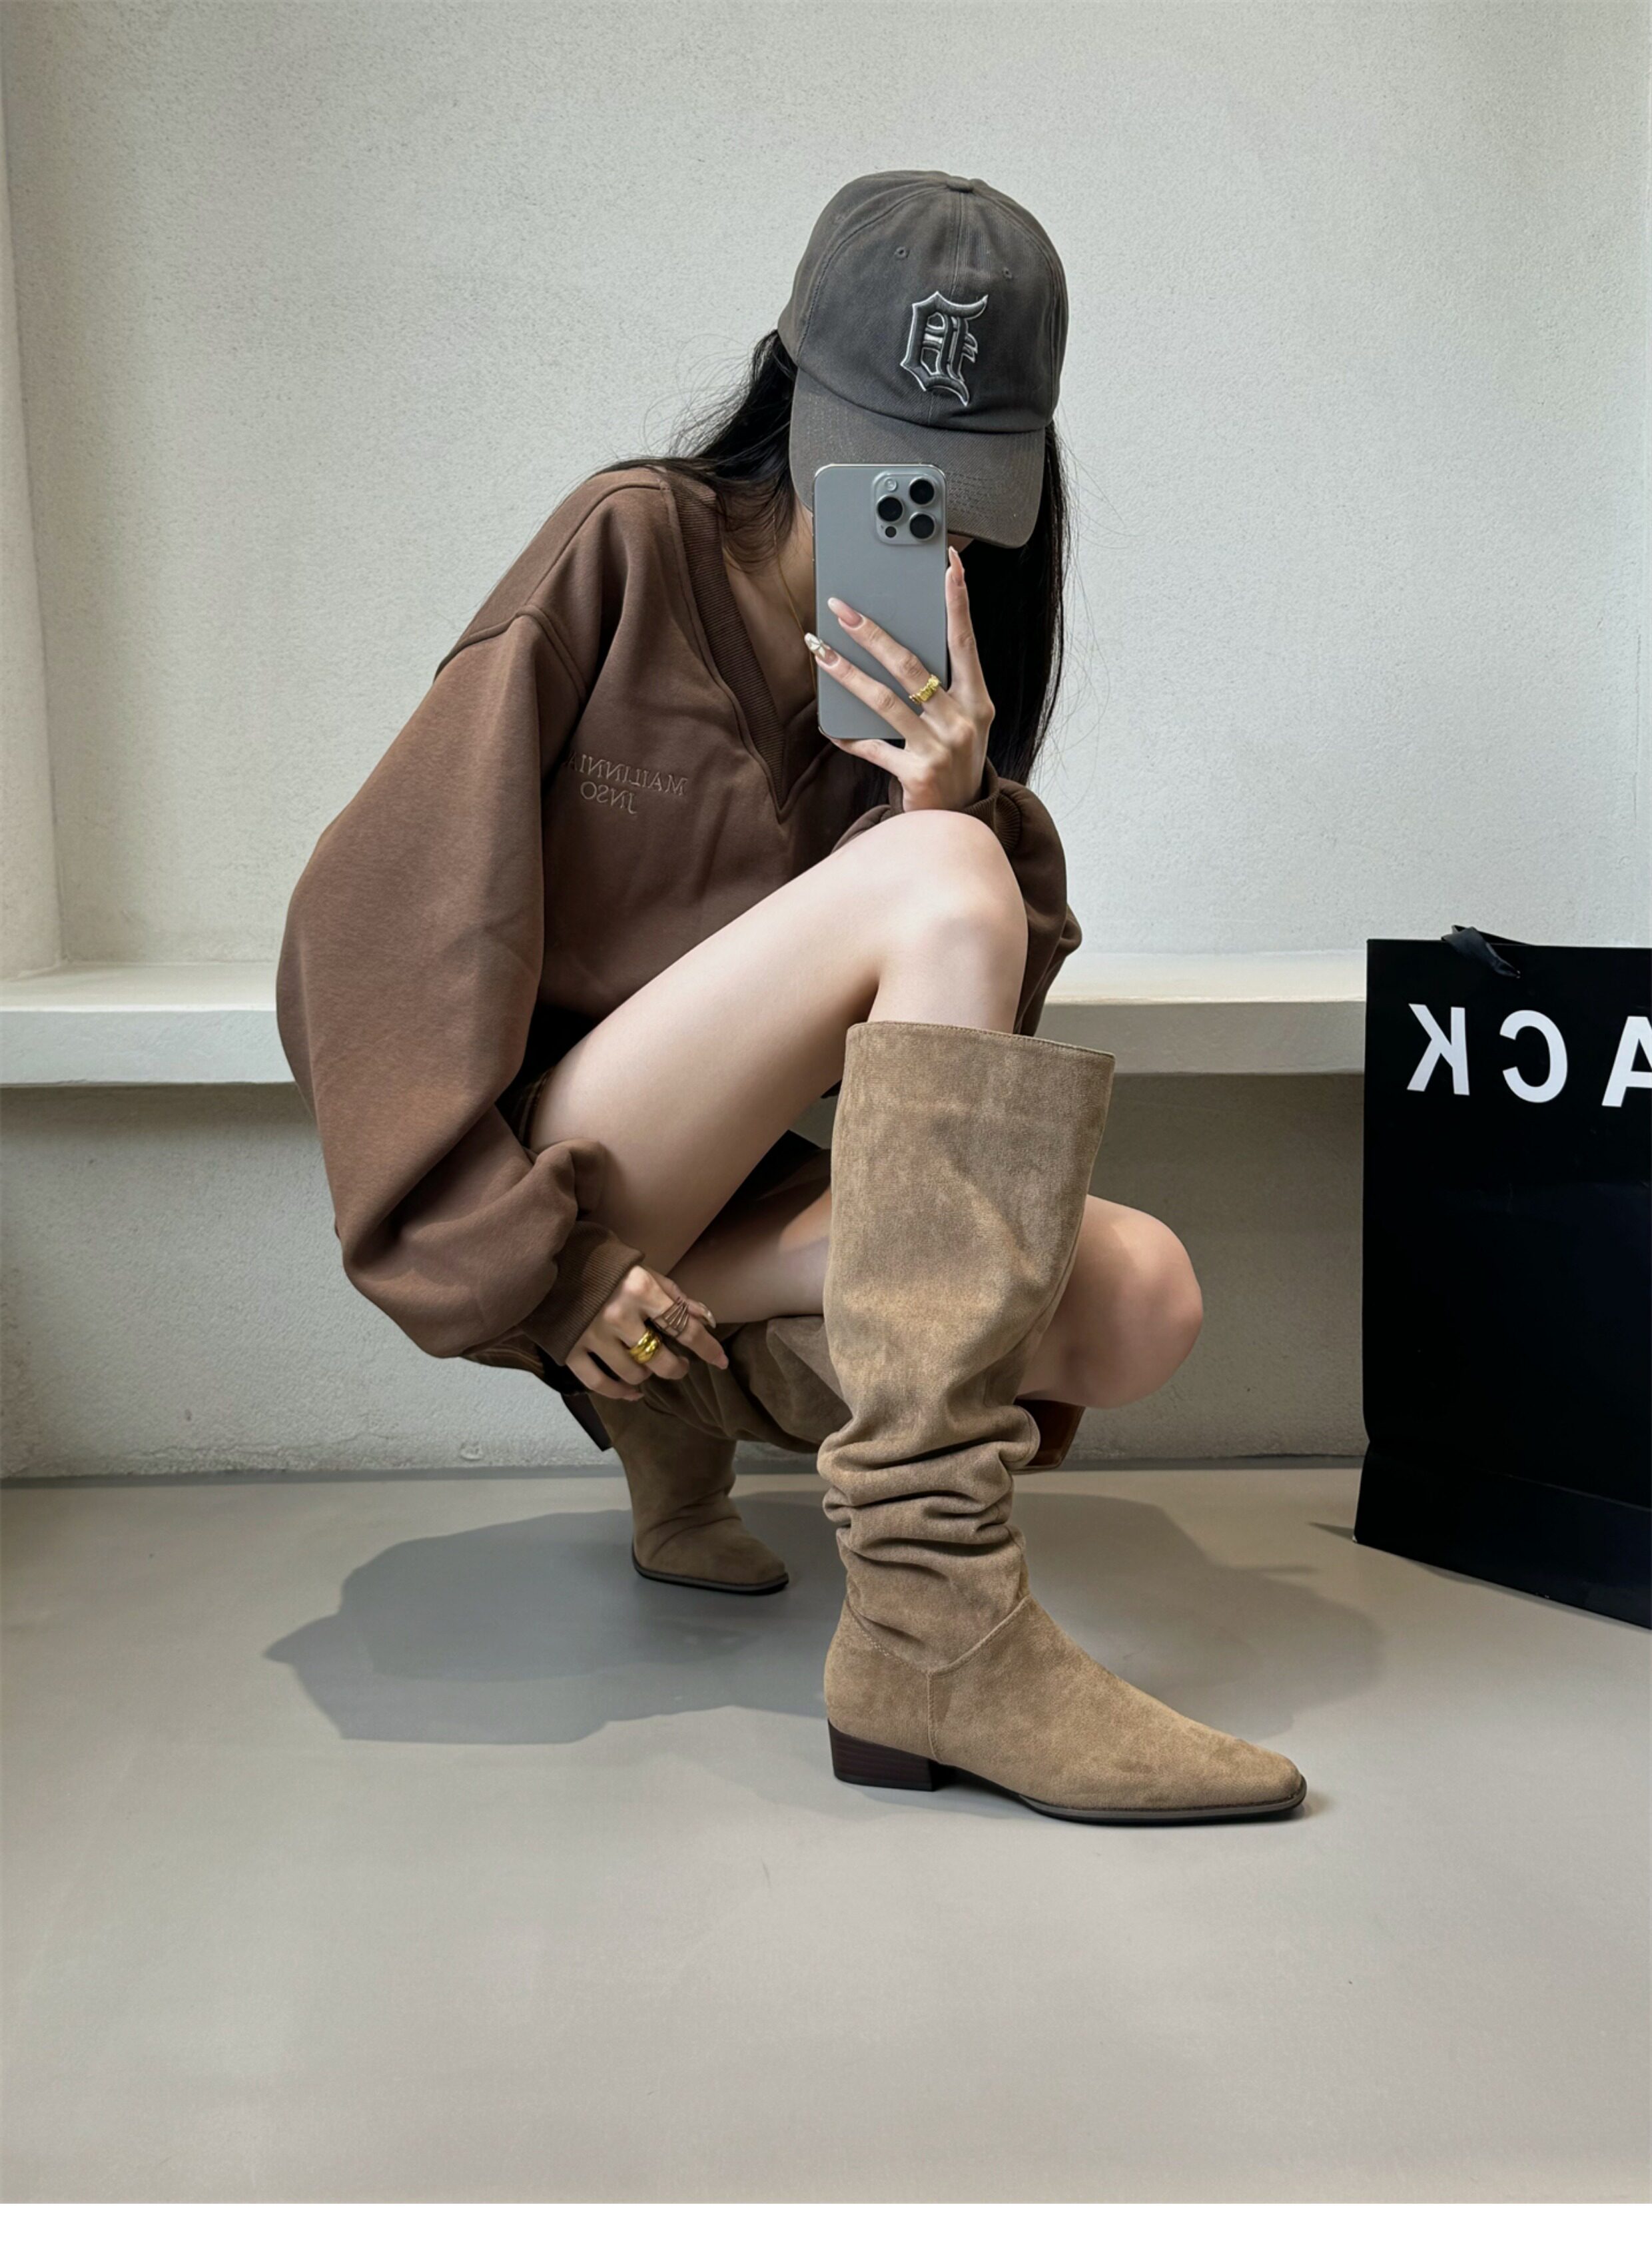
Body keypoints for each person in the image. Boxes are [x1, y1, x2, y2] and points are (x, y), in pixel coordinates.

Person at [278, 171, 1305, 1824]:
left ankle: (671, 1418)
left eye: (963, 489)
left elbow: (958, 1112)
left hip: (725, 1198)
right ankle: (935, 1621)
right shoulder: (628, 543)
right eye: (883, 464)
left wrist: (945, 807)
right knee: (947, 882)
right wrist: (532, 1255)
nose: (923, 523)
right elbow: (365, 920)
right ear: (788, 387)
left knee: (1141, 1296)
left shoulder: (929, 695)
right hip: (560, 1166)